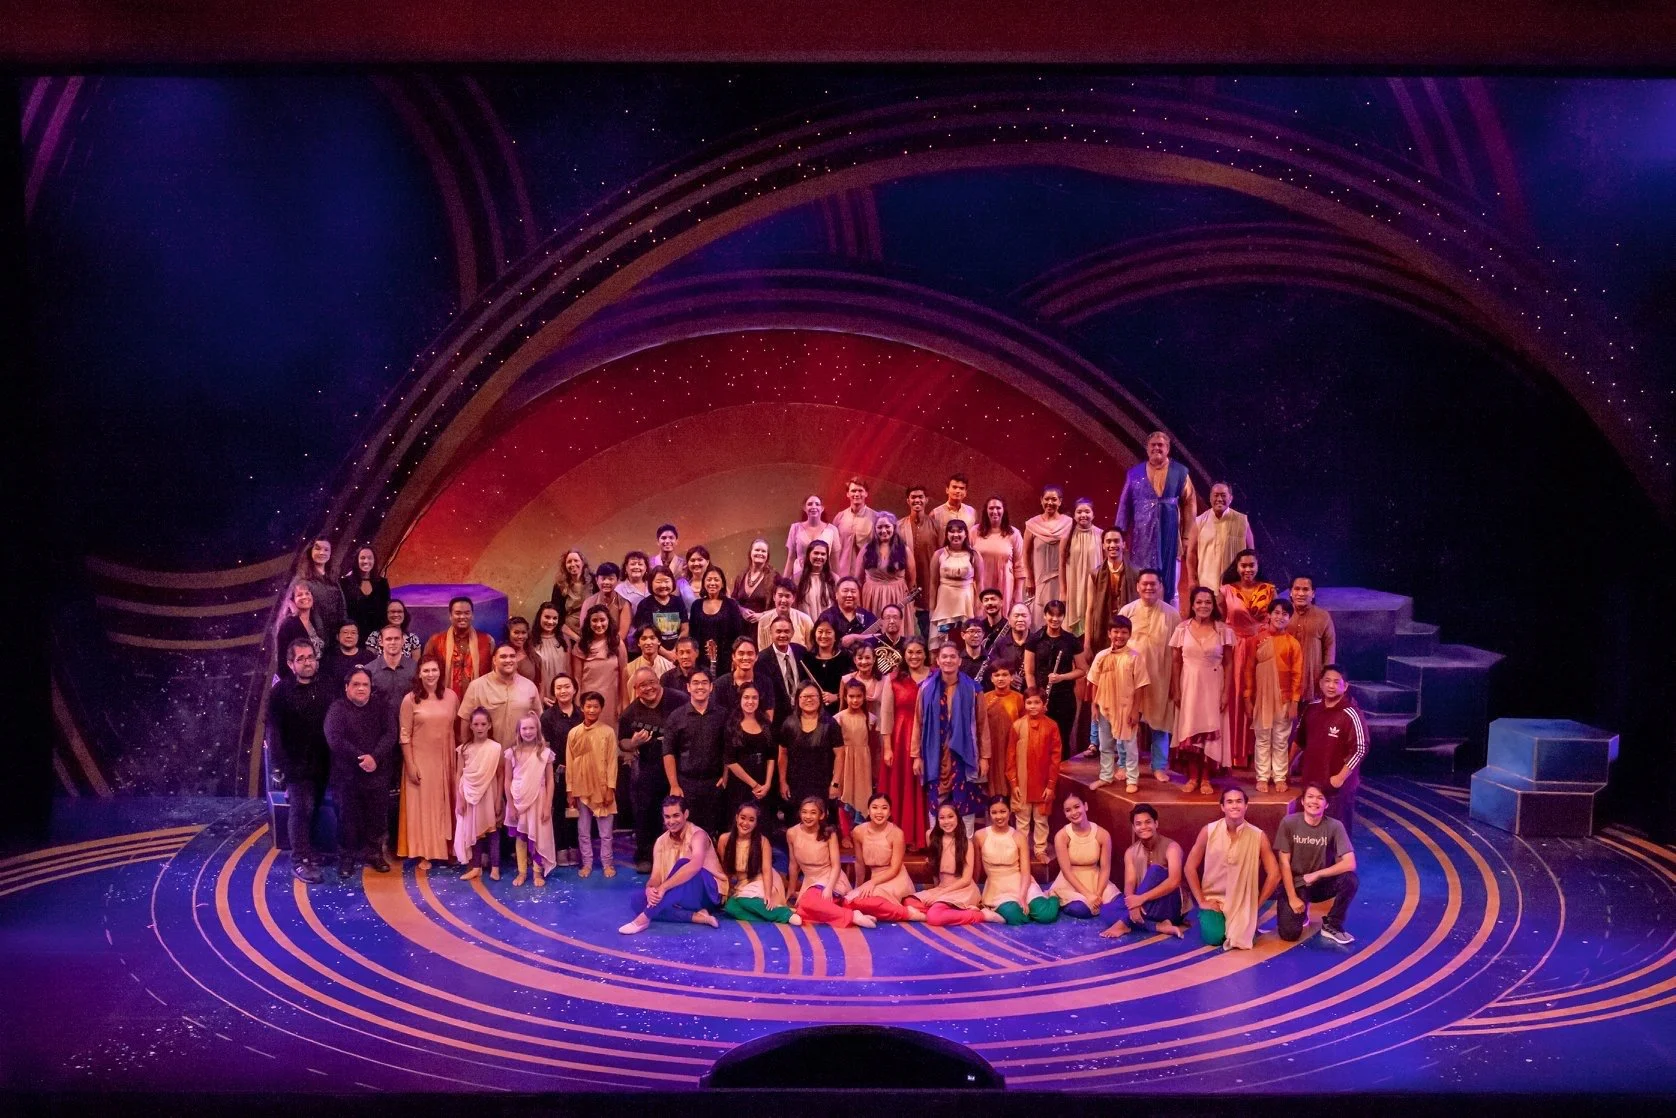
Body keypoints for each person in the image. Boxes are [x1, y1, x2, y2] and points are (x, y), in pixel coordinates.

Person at [267, 638, 334, 883]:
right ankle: (300, 860)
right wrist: (279, 767)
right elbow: (274, 732)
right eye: (301, 659)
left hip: (325, 762)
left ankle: (310, 851)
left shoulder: (328, 686)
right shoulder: (280, 692)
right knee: (301, 809)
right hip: (296, 764)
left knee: (314, 808)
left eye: (310, 657)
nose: (307, 662)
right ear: (290, 664)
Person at [1184, 786, 1279, 950]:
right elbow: (1189, 867)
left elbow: (1275, 874)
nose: (1234, 806)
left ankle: (1243, 922)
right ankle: (1216, 919)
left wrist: (1255, 905)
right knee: (1214, 937)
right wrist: (1201, 901)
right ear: (1222, 807)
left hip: (1242, 903)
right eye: (1229, 802)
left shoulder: (1258, 836)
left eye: (1239, 801)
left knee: (1240, 940)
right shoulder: (1209, 831)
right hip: (1214, 901)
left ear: (1246, 806)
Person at [324, 667, 395, 878]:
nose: (361, 688)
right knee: (348, 819)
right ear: (347, 688)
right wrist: (362, 759)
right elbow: (334, 739)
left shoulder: (382, 707)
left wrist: (375, 757)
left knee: (377, 818)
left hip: (377, 774)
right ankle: (347, 858)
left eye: (365, 684)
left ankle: (374, 854)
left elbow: (390, 734)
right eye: (356, 684)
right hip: (347, 776)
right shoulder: (337, 709)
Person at [1115, 431, 1198, 604]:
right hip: (1142, 537)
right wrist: (1119, 536)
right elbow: (1124, 505)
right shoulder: (1134, 474)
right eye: (1153, 445)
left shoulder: (1180, 472)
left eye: (1160, 445)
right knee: (1142, 584)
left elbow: (1189, 504)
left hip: (1170, 536)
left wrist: (1187, 535)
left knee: (1169, 587)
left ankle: (1169, 626)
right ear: (1147, 449)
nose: (1156, 448)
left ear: (1167, 448)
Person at [619, 796, 723, 934]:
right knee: (637, 901)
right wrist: (651, 889)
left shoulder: (699, 835)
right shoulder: (660, 842)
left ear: (686, 814)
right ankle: (696, 917)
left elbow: (695, 866)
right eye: (667, 817)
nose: (671, 821)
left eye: (676, 816)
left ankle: (643, 919)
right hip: (678, 895)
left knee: (683, 864)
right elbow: (656, 876)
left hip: (707, 894)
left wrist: (663, 888)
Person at [618, 668, 686, 873]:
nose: (649, 688)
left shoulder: (679, 700)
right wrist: (634, 742)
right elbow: (622, 742)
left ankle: (683, 854)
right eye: (642, 686)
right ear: (636, 690)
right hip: (650, 767)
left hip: (680, 765)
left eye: (651, 682)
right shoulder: (631, 712)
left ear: (659, 681)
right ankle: (646, 855)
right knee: (645, 812)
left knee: (681, 810)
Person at [913, 642, 988, 828]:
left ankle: (966, 851)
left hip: (964, 754)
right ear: (937, 661)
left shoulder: (973, 688)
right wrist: (916, 756)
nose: (948, 660)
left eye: (952, 656)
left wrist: (985, 757)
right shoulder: (925, 688)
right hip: (934, 754)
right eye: (944, 656)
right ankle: (937, 851)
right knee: (936, 802)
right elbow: (918, 723)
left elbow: (982, 725)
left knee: (965, 804)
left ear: (959, 661)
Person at [1169, 587, 1235, 795]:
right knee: (1189, 730)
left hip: (1213, 685)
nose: (1203, 606)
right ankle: (1192, 776)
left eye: (1208, 602)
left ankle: (1206, 778)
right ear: (1192, 604)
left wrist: (1226, 693)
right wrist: (1176, 690)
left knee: (1209, 733)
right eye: (1199, 602)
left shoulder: (1223, 630)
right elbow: (1175, 661)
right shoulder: (1182, 629)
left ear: (1213, 605)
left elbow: (1229, 663)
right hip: (1189, 685)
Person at [1275, 782, 1359, 945]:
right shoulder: (1289, 823)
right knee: (1289, 934)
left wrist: (1318, 874)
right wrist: (1292, 898)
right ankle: (1301, 909)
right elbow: (1283, 863)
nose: (1314, 801)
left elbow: (1350, 863)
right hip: (1296, 884)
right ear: (1302, 801)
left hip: (1320, 884)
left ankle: (1332, 924)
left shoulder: (1335, 826)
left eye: (1320, 798)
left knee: (1350, 880)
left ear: (1326, 804)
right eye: (1310, 797)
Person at [1290, 665, 1368, 835]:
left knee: (1336, 834)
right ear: (1320, 683)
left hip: (1337, 789)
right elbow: (1299, 740)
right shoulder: (1311, 708)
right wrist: (1286, 767)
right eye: (1327, 681)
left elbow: (1360, 749)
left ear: (1345, 686)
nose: (1331, 686)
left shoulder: (1351, 713)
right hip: (1311, 785)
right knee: (1308, 833)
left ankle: (1338, 862)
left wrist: (1340, 778)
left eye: (1336, 682)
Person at [1120, 571, 1182, 785]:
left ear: (1161, 586)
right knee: (1127, 722)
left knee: (1160, 724)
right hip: (1130, 679)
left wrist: (1175, 684)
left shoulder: (1172, 615)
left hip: (1160, 677)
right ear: (1137, 586)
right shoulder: (1127, 612)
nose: (1149, 588)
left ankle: (1159, 766)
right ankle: (1124, 765)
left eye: (1153, 584)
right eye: (1144, 584)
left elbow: (1177, 653)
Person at [396, 654, 457, 870]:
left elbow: (453, 729)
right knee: (423, 808)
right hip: (420, 760)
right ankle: (424, 853)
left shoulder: (451, 696)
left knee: (445, 804)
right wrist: (410, 765)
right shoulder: (410, 699)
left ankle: (446, 850)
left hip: (446, 759)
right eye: (426, 671)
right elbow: (404, 735)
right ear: (419, 674)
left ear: (440, 672)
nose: (431, 674)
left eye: (434, 670)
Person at [1219, 548, 1275, 770]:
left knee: (1260, 697)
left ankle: (1256, 754)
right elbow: (1220, 620)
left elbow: (1276, 619)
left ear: (1258, 566)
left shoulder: (1269, 590)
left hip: (1262, 647)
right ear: (1237, 567)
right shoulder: (1226, 591)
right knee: (1235, 697)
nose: (1248, 569)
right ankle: (1233, 753)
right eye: (1244, 565)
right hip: (1235, 648)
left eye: (1252, 565)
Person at [786, 796, 877, 928]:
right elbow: (793, 865)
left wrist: (828, 888)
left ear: (821, 815)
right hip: (810, 881)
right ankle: (849, 913)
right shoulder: (792, 833)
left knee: (808, 903)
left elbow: (836, 866)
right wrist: (791, 890)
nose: (808, 816)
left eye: (813, 812)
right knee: (802, 911)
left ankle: (852, 917)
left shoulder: (829, 834)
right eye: (804, 812)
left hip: (830, 879)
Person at [1101, 802, 1187, 938]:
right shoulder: (1130, 852)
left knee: (1155, 871)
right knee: (1105, 911)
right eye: (1139, 824)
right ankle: (1158, 926)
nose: (1144, 827)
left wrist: (1141, 898)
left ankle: (1124, 924)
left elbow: (1174, 881)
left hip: (1170, 907)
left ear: (1156, 824)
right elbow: (1130, 882)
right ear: (1134, 828)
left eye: (1148, 822)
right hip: (1146, 907)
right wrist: (1132, 905)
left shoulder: (1172, 847)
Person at [662, 668, 730, 837]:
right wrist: (674, 785)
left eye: (704, 683)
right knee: (687, 832)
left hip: (714, 783)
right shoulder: (676, 717)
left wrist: (726, 774)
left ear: (711, 687)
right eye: (696, 683)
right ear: (688, 687)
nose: (700, 687)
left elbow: (729, 748)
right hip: (686, 784)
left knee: (713, 830)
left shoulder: (723, 715)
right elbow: (668, 752)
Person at [1087, 615, 1151, 793]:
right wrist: (1094, 706)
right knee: (1105, 745)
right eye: (1116, 631)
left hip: (1126, 708)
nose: (1119, 636)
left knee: (1130, 746)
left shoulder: (1135, 657)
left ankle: (1132, 779)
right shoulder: (1101, 656)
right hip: (1104, 707)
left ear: (1130, 634)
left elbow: (1140, 686)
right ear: (1109, 633)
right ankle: (1105, 776)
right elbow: (1094, 682)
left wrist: (1135, 710)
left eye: (1124, 632)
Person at [877, 636, 932, 845]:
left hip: (929, 737)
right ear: (903, 655)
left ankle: (924, 837)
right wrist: (888, 748)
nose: (914, 656)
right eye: (910, 652)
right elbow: (886, 715)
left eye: (919, 652)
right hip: (901, 738)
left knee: (924, 787)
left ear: (925, 654)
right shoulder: (893, 679)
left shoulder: (935, 677)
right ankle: (903, 838)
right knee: (902, 786)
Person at [1245, 599, 1303, 793]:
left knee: (1280, 739)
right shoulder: (1257, 640)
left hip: (1284, 697)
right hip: (1262, 698)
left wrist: (1295, 701)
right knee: (1262, 738)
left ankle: (1279, 776)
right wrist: (1247, 697)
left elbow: (1297, 674)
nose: (1280, 617)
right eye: (1276, 612)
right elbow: (1248, 670)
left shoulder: (1292, 644)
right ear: (1268, 615)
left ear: (1289, 618)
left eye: (1285, 614)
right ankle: (1262, 776)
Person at [905, 803, 996, 926]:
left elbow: (966, 880)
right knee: (909, 902)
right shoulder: (933, 838)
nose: (946, 821)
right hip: (942, 888)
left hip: (962, 890)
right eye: (942, 818)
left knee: (934, 918)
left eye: (950, 817)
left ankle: (981, 915)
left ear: (957, 818)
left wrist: (939, 895)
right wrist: (936, 891)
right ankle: (951, 911)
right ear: (937, 820)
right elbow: (935, 871)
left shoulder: (966, 844)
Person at [974, 795, 1059, 924]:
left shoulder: (1019, 837)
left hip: (1020, 883)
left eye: (1003, 811)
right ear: (989, 813)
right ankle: (1024, 911)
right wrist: (974, 894)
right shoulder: (980, 836)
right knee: (1015, 916)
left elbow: (1025, 871)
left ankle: (1051, 896)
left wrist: (1023, 896)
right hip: (997, 887)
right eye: (994, 812)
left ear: (1010, 811)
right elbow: (976, 867)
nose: (999, 816)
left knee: (1046, 915)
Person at [716, 801, 798, 924]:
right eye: (742, 818)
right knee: (730, 907)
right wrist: (727, 889)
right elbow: (725, 869)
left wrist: (768, 893)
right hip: (741, 884)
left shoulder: (763, 841)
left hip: (761, 880)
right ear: (736, 817)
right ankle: (770, 915)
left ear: (756, 823)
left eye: (751, 820)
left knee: (744, 900)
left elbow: (766, 870)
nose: (745, 823)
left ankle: (785, 915)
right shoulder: (724, 839)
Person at [566, 691, 619, 878]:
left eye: (596, 706)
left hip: (603, 788)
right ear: (582, 708)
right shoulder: (574, 733)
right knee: (583, 830)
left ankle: (607, 863)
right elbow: (570, 762)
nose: (592, 710)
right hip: (581, 790)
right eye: (588, 706)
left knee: (606, 833)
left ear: (601, 709)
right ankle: (587, 863)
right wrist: (570, 790)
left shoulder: (608, 732)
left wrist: (610, 789)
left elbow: (612, 762)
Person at [845, 794, 922, 922]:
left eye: (884, 808)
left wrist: (872, 883)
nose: (879, 812)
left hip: (895, 879)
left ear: (890, 812)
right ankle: (899, 912)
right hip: (875, 879)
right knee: (850, 900)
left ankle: (906, 913)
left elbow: (894, 869)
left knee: (863, 902)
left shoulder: (897, 833)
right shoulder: (858, 831)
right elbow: (859, 863)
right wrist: (858, 887)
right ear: (868, 810)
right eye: (875, 807)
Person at [1006, 689, 1062, 863]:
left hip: (1043, 783)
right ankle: (1022, 851)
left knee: (1041, 820)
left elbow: (1055, 757)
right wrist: (1014, 783)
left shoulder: (1052, 726)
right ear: (1024, 704)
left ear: (1044, 704)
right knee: (1021, 820)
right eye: (1029, 702)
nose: (1033, 706)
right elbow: (1010, 756)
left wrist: (1051, 785)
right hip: (1021, 783)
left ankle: (1040, 849)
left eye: (1037, 702)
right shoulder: (1017, 725)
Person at [778, 681, 843, 826]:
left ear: (820, 699)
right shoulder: (789, 724)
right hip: (795, 785)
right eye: (805, 696)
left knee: (822, 827)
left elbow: (840, 755)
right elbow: (782, 754)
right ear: (797, 699)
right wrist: (782, 782)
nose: (809, 700)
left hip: (822, 784)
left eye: (813, 696)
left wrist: (835, 783)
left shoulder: (830, 724)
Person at [503, 712, 556, 887]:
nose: (528, 732)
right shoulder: (512, 753)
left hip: (538, 799)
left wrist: (547, 806)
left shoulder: (545, 753)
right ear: (518, 731)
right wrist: (510, 805)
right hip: (518, 800)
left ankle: (537, 873)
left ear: (537, 729)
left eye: (531, 728)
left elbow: (549, 781)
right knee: (521, 837)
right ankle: (522, 872)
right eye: (524, 728)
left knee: (537, 835)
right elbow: (507, 780)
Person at [1024, 599, 1082, 757]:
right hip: (1041, 699)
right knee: (1041, 741)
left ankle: (1060, 778)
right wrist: (1036, 698)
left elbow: (1082, 670)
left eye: (1059, 615)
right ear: (1045, 615)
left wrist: (1061, 677)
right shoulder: (1034, 639)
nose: (1055, 619)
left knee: (1062, 741)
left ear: (1064, 616)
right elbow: (1029, 672)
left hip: (1065, 698)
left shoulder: (1071, 640)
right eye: (1051, 615)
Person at [457, 644, 543, 749]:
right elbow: (465, 721)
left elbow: (538, 720)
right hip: (486, 756)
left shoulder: (529, 686)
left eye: (512, 656)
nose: (508, 660)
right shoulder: (477, 686)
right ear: (494, 660)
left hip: (520, 756)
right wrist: (467, 751)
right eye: (503, 657)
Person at [454, 708, 504, 880]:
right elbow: (459, 774)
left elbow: (500, 774)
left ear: (489, 725)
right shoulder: (464, 749)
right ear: (471, 726)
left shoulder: (495, 748)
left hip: (490, 793)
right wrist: (459, 798)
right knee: (474, 831)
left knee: (492, 831)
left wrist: (498, 799)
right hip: (470, 795)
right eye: (476, 724)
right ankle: (476, 867)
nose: (480, 727)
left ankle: (495, 868)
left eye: (483, 724)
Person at [1050, 790, 1117, 918]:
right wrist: (1088, 895)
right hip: (1070, 882)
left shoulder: (1103, 834)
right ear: (1065, 813)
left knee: (1116, 903)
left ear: (1085, 806)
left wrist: (1097, 894)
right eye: (1068, 810)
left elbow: (1105, 868)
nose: (1074, 813)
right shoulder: (1061, 836)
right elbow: (1067, 871)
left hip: (1096, 879)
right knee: (1081, 910)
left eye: (1077, 807)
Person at [539, 673, 583, 867]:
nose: (563, 691)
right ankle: (561, 848)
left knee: (578, 810)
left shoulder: (582, 715)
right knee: (559, 810)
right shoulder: (547, 717)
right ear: (554, 692)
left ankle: (576, 847)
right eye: (558, 688)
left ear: (574, 689)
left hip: (581, 771)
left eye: (567, 686)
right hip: (558, 771)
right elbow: (544, 746)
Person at [422, 596, 494, 699]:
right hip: (443, 701)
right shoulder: (436, 641)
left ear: (472, 615)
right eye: (458, 613)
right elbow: (424, 672)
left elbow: (494, 675)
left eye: (467, 613)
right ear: (450, 616)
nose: (462, 617)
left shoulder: (487, 641)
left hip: (478, 703)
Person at [1083, 527, 1139, 656]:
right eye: (1108, 542)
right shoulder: (1094, 574)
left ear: (1123, 544)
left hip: (1128, 631)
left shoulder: (1136, 573)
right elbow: (1090, 610)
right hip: (1102, 629)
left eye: (1116, 541)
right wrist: (1087, 643)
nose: (1112, 545)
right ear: (1103, 545)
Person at [1191, 483, 1254, 593]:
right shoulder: (1199, 522)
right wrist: (1192, 579)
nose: (1219, 499)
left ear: (1231, 498)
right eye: (1216, 495)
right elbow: (1191, 553)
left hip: (1235, 586)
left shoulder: (1242, 521)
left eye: (1223, 495)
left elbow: (1251, 553)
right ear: (1210, 498)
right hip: (1207, 586)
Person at [1022, 486, 1072, 627]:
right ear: (1041, 500)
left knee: (1060, 617)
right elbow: (1025, 553)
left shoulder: (1068, 523)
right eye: (1047, 499)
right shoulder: (1032, 524)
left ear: (1060, 502)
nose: (1050, 502)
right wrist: (1029, 578)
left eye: (1054, 499)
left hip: (1062, 580)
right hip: (1038, 580)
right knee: (1039, 619)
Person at [722, 683, 776, 813]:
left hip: (763, 783)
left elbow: (771, 756)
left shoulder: (766, 723)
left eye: (754, 698)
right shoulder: (731, 724)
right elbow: (730, 761)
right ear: (740, 699)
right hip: (740, 785)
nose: (750, 701)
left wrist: (767, 784)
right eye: (746, 697)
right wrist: (754, 785)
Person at [571, 605, 627, 729]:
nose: (599, 624)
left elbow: (624, 674)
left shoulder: (617, 643)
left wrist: (622, 702)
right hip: (588, 699)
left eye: (602, 620)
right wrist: (577, 702)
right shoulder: (581, 645)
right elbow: (577, 677)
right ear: (589, 623)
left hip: (611, 699)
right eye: (594, 620)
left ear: (608, 621)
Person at [859, 512, 916, 635]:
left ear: (894, 528)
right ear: (874, 529)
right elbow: (858, 577)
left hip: (897, 596)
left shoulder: (904, 549)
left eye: (887, 526)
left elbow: (912, 580)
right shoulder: (866, 549)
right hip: (871, 597)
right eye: (879, 527)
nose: (883, 530)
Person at [687, 567, 747, 677]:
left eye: (716, 579)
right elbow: (692, 635)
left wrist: (735, 659)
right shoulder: (696, 605)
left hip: (726, 660)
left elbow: (738, 635)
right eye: (709, 579)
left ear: (723, 583)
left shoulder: (731, 604)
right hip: (701, 660)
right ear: (704, 583)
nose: (712, 583)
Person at [834, 680, 876, 831]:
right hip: (845, 761)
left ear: (864, 697)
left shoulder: (870, 718)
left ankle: (860, 829)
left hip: (863, 762)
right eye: (851, 696)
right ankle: (845, 832)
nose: (855, 700)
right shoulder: (838, 718)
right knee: (844, 795)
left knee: (862, 794)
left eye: (859, 696)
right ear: (845, 697)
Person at [1288, 575, 1338, 703]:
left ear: (1313, 593)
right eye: (1297, 589)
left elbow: (1329, 648)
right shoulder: (1282, 614)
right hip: (1285, 679)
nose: (1300, 593)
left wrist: (1326, 677)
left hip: (1312, 680)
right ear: (1290, 592)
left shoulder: (1323, 616)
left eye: (1305, 589)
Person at [978, 664, 1024, 798]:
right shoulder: (984, 698)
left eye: (1005, 675)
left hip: (1012, 749)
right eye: (996, 675)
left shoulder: (1019, 699)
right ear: (991, 679)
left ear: (1011, 678)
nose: (1001, 678)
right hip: (991, 750)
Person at [971, 496, 1026, 609]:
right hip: (980, 584)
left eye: (998, 508)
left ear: (1003, 510)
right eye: (991, 508)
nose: (995, 511)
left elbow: (1020, 566)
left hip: (1005, 584)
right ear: (986, 510)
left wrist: (1018, 593)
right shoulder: (974, 532)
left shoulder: (1014, 534)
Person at [902, 484, 941, 637]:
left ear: (926, 500)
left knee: (928, 632)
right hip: (905, 587)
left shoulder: (936, 526)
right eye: (913, 497)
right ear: (908, 501)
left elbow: (942, 556)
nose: (917, 500)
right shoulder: (899, 526)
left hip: (929, 585)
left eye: (920, 497)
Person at [712, 636, 777, 726]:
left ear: (756, 657)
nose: (745, 657)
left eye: (750, 653)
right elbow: (716, 719)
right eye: (741, 653)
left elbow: (768, 718)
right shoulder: (720, 684)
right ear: (733, 657)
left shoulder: (765, 682)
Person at [928, 518, 978, 634]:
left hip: (966, 602)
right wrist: (932, 608)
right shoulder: (938, 554)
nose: (955, 534)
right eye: (952, 531)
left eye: (959, 531)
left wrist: (978, 608)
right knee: (942, 639)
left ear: (966, 534)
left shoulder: (974, 555)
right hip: (944, 602)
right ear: (947, 534)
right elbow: (933, 583)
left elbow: (980, 583)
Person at [1061, 498, 1102, 638]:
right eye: (1079, 512)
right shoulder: (1067, 536)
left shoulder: (1101, 535)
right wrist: (1063, 591)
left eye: (1087, 511)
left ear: (1093, 514)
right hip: (1074, 585)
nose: (1083, 515)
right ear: (1074, 515)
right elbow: (1061, 566)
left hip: (1094, 586)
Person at [363, 624, 417, 724]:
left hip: (411, 726)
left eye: (396, 638)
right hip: (379, 728)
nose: (393, 642)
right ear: (381, 642)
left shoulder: (416, 668)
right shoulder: (368, 670)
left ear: (403, 641)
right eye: (388, 639)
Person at [339, 545, 390, 648]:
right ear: (356, 560)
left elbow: (385, 612)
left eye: (370, 558)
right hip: (353, 638)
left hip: (376, 639)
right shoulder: (344, 583)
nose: (366, 561)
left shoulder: (382, 584)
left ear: (374, 561)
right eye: (362, 558)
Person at [276, 580, 326, 683]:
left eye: (307, 593)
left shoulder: (315, 621)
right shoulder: (288, 625)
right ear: (292, 601)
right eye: (299, 595)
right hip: (298, 683)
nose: (305, 597)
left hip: (317, 679)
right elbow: (283, 662)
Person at [800, 618, 853, 713]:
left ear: (836, 635)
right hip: (813, 712)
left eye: (828, 632)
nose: (823, 636)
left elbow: (853, 687)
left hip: (840, 712)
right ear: (814, 633)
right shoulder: (807, 658)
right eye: (820, 631)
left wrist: (836, 697)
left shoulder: (847, 657)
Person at [298, 537, 347, 640]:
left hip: (340, 635)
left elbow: (342, 608)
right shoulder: (304, 582)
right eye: (318, 548)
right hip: (320, 637)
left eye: (326, 550)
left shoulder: (333, 578)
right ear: (310, 551)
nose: (322, 552)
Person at [831, 478, 879, 580]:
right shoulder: (840, 517)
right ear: (847, 494)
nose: (856, 494)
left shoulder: (876, 518)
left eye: (860, 491)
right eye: (853, 491)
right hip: (841, 574)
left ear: (866, 493)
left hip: (867, 574)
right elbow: (833, 548)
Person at [784, 496, 840, 583]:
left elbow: (835, 561)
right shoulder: (795, 528)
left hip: (823, 577)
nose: (814, 507)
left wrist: (838, 583)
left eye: (817, 504)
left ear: (822, 508)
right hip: (800, 577)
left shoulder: (832, 530)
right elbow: (790, 558)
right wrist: (784, 582)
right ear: (804, 508)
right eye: (810, 504)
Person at [634, 567, 689, 654]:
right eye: (658, 582)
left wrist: (675, 650)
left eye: (667, 581)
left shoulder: (678, 601)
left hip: (677, 652)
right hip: (654, 654)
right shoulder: (644, 605)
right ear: (651, 583)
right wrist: (667, 654)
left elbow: (685, 629)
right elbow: (644, 634)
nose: (663, 585)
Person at [760, 616, 808, 718]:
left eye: (787, 631)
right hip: (778, 718)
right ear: (771, 633)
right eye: (778, 631)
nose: (783, 635)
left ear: (792, 632)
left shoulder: (801, 652)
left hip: (803, 712)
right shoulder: (762, 659)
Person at [579, 562, 634, 646]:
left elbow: (622, 634)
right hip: (592, 645)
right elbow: (584, 630)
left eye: (611, 579)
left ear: (618, 581)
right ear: (597, 580)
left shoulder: (624, 604)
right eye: (603, 578)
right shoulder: (588, 602)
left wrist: (605, 647)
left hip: (616, 646)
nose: (606, 582)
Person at [817, 576, 877, 650]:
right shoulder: (826, 617)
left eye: (853, 591)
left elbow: (879, 638)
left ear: (859, 595)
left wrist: (855, 637)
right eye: (845, 591)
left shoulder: (867, 616)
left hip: (863, 660)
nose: (849, 595)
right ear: (836, 595)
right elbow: (819, 642)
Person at [550, 549, 595, 643]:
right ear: (565, 566)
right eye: (569, 562)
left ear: (583, 563)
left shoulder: (594, 581)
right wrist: (577, 638)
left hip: (593, 630)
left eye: (576, 560)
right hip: (569, 633)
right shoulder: (559, 586)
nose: (573, 564)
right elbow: (557, 616)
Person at [986, 603, 1033, 691]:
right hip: (1006, 694)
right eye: (1016, 616)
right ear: (1009, 620)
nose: (1020, 619)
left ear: (1030, 619)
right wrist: (1008, 677)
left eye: (1024, 616)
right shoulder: (999, 644)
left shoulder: (1038, 642)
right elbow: (992, 669)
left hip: (1031, 696)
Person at [756, 578, 814, 649]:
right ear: (774, 597)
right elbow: (762, 651)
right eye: (780, 596)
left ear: (793, 598)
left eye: (787, 596)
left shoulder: (805, 620)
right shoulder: (763, 621)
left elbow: (812, 649)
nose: (783, 600)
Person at [528, 602, 570, 699]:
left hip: (562, 694)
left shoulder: (564, 639)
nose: (551, 622)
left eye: (555, 618)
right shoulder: (530, 640)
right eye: (547, 617)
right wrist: (540, 697)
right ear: (539, 617)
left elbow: (568, 669)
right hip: (541, 695)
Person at [732, 538, 778, 620]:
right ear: (750, 553)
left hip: (763, 627)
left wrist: (762, 615)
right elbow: (733, 601)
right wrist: (742, 610)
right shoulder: (741, 576)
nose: (760, 553)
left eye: (763, 551)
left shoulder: (774, 577)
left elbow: (780, 605)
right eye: (757, 550)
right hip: (741, 627)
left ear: (767, 555)